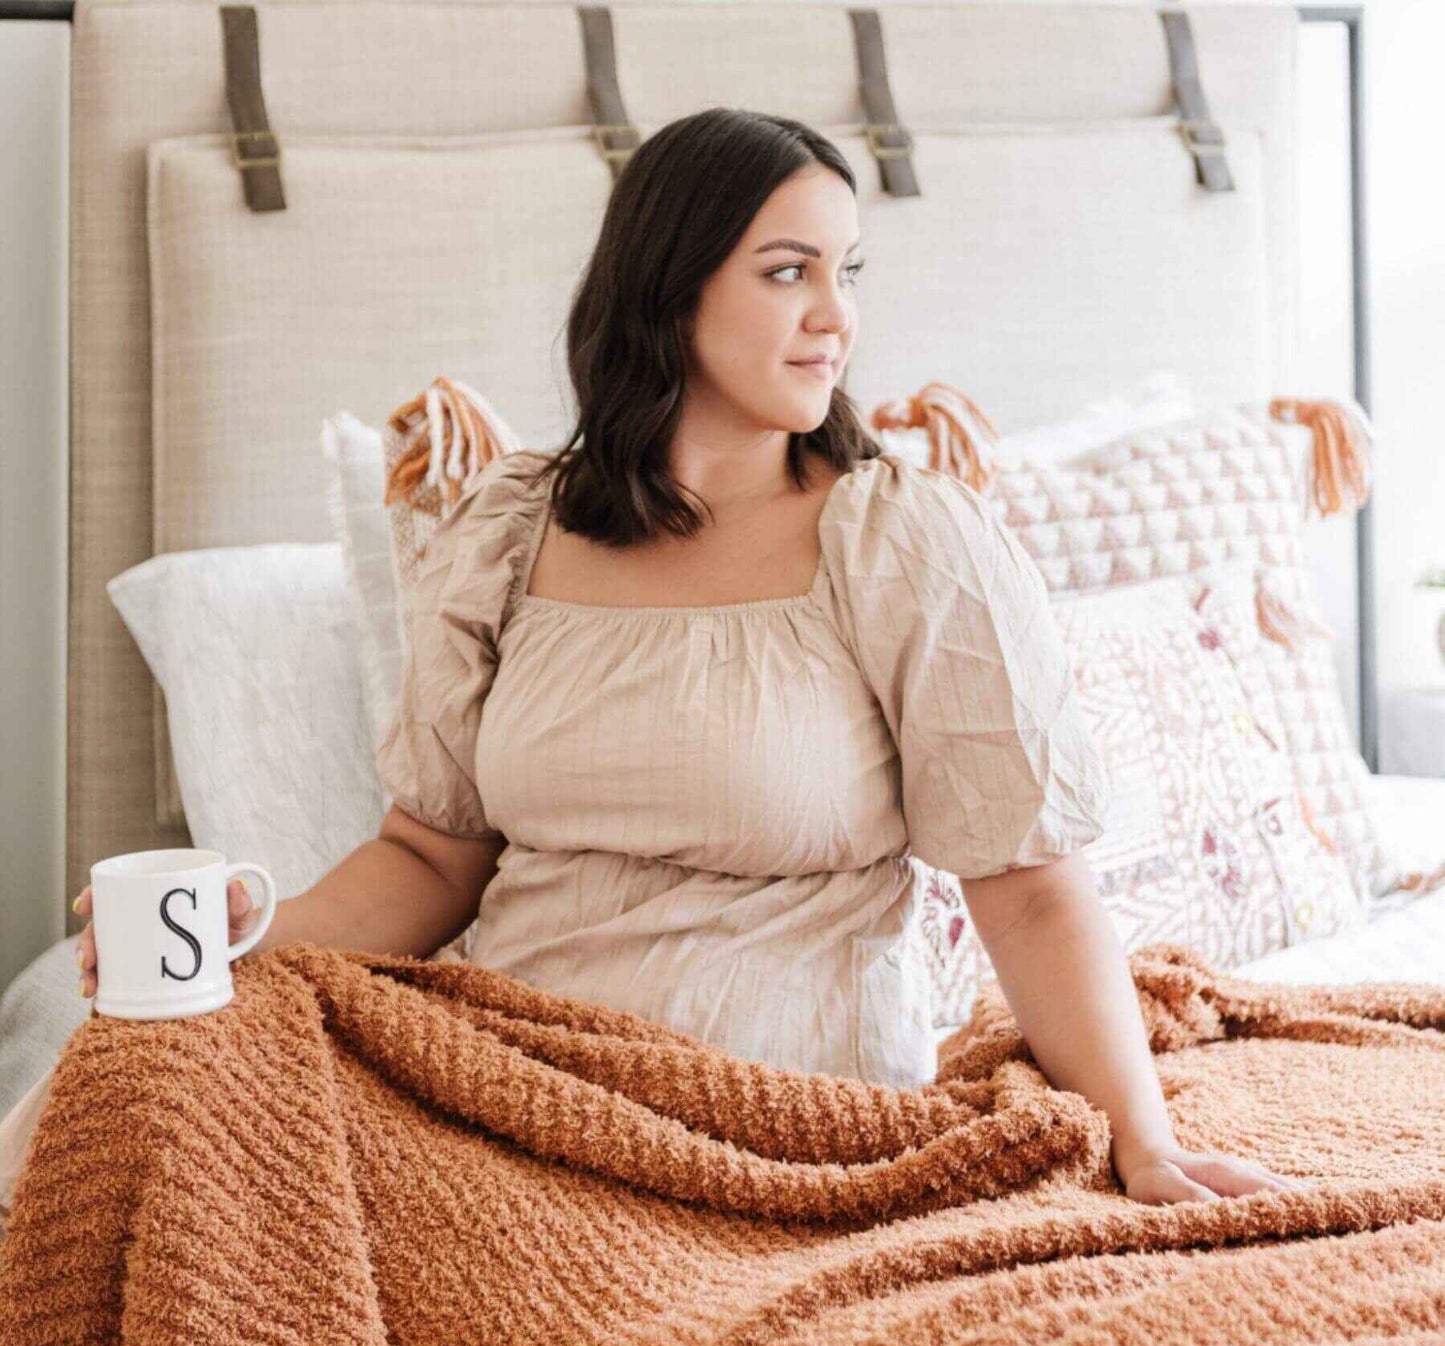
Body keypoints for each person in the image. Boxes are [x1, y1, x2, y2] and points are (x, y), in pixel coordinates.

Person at [75, 107, 1304, 1207]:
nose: (837, 315)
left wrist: (1140, 1141)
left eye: (846, 271)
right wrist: (239, 938)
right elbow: (425, 854)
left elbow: (1026, 877)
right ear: (668, 292)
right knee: (153, 1096)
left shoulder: (899, 536)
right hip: (504, 1092)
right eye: (788, 272)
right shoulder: (509, 528)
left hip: (778, 1127)